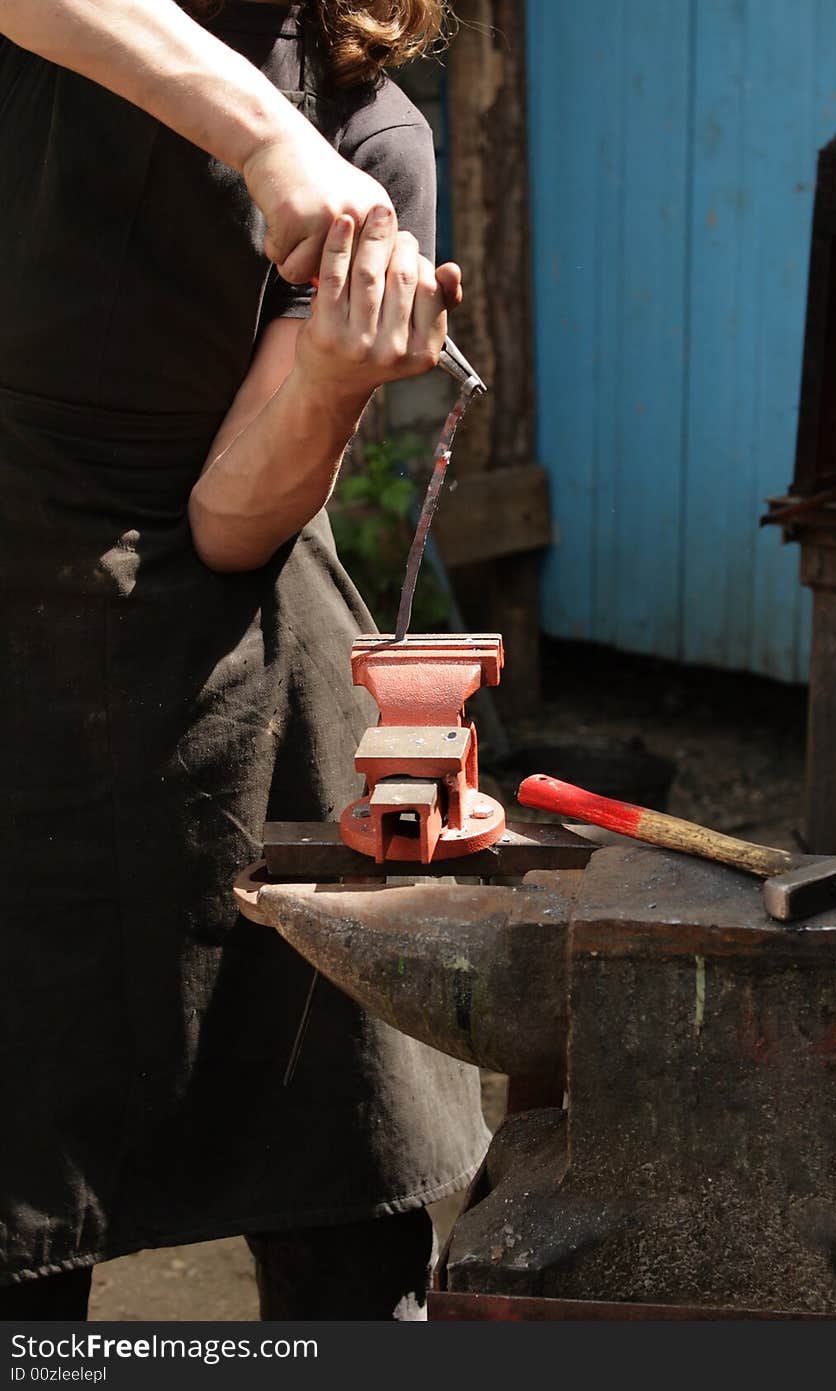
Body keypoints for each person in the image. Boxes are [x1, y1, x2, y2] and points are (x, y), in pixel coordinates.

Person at [0, 0, 490, 1321]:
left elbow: (227, 519)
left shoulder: (377, 134)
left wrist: (329, 384)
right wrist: (269, 143)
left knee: (342, 1220)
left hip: (241, 698)